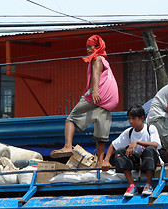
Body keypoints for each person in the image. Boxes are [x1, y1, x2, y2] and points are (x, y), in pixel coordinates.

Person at [50, 35, 119, 167]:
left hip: (99, 96)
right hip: (109, 102)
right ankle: (100, 162)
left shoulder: (97, 59)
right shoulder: (106, 61)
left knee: (70, 119)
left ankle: (68, 146)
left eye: (90, 46)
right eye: (87, 47)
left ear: (97, 47)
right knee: (101, 134)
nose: (88, 49)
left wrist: (95, 91)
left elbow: (96, 74)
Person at [101, 105, 161, 197]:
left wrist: (137, 142)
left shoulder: (150, 128)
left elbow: (156, 145)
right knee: (120, 152)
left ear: (142, 118)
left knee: (150, 149)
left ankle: (148, 184)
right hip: (136, 163)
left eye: (134, 118)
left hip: (150, 161)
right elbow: (113, 145)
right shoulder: (129, 132)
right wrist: (106, 160)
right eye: (129, 118)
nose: (131, 121)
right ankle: (131, 185)